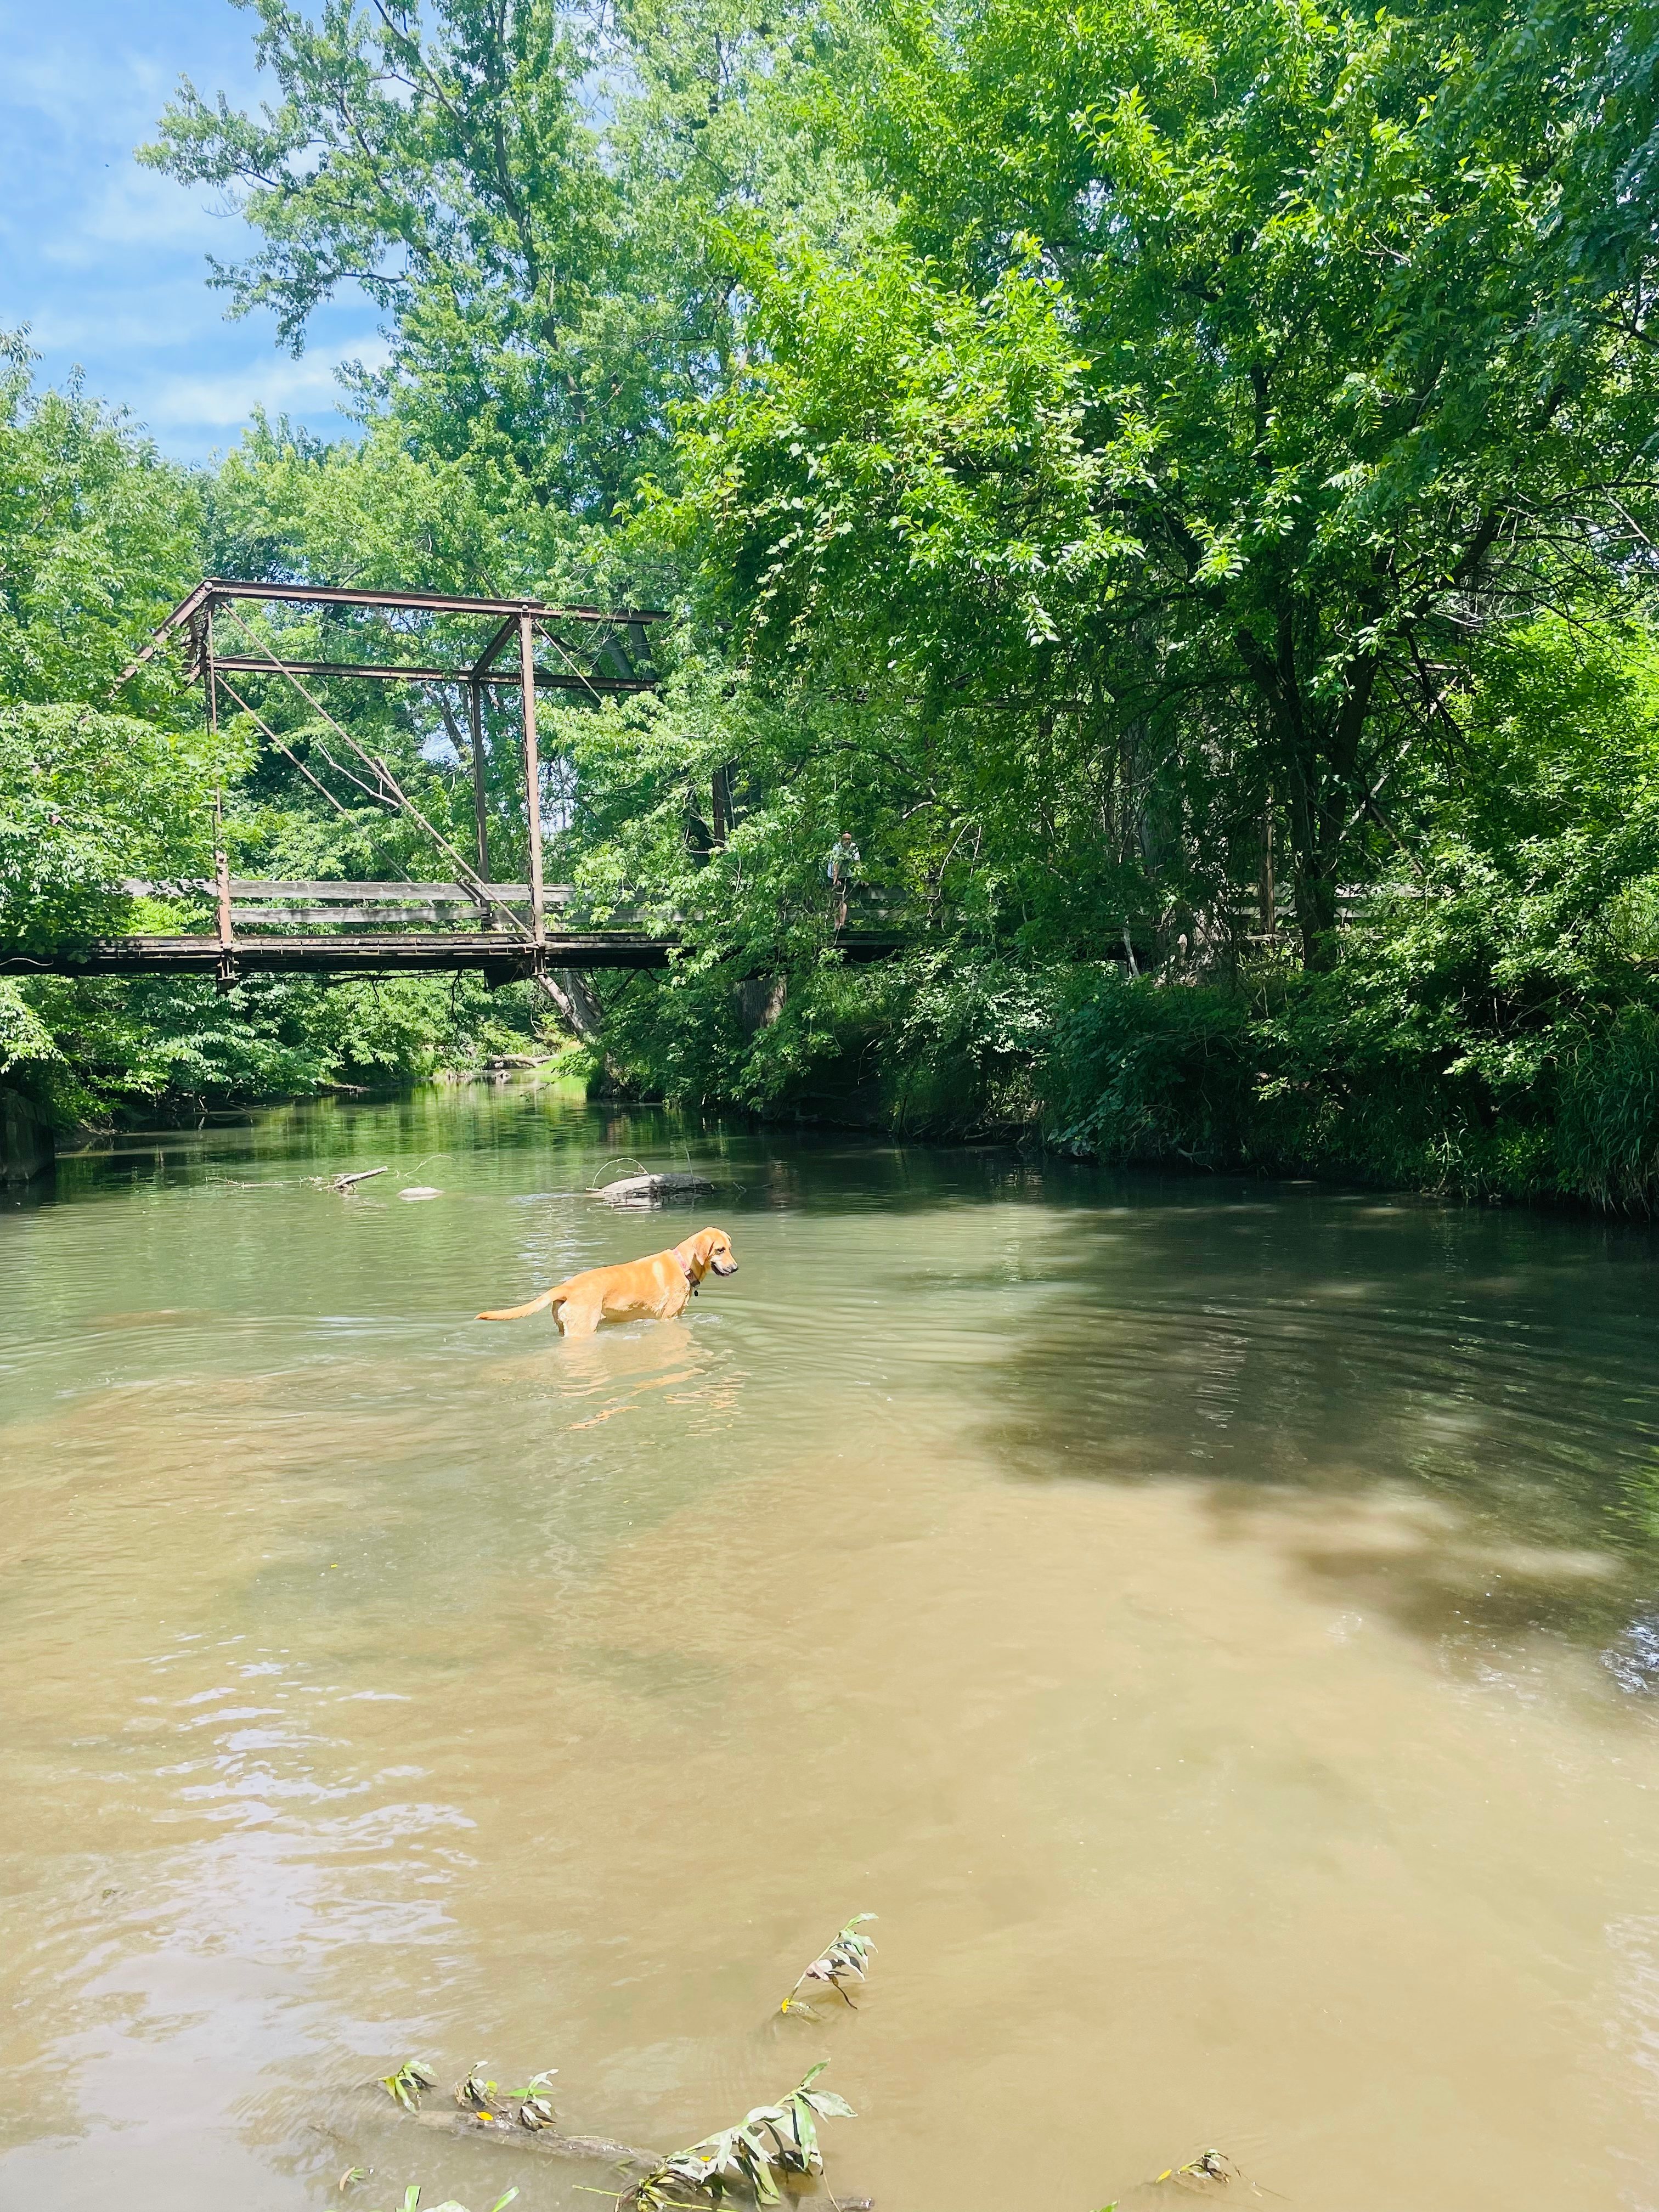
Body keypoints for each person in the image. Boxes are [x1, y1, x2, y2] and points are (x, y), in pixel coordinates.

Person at [826, 830, 860, 929]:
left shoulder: (853, 847)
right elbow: (835, 864)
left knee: (844, 900)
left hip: (846, 875)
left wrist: (862, 878)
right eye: (845, 839)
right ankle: (836, 924)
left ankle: (842, 923)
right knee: (836, 900)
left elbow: (857, 863)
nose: (847, 842)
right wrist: (835, 879)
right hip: (833, 874)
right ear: (842, 839)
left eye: (849, 839)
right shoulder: (837, 847)